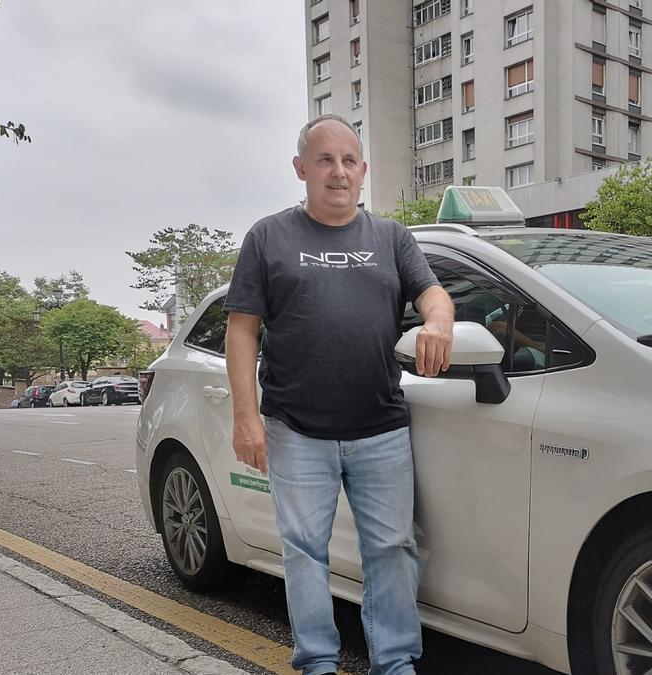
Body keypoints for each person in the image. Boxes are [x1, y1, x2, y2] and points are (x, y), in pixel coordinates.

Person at [223, 114, 455, 675]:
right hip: (295, 427)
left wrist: (439, 323)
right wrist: (245, 418)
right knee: (304, 553)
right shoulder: (269, 237)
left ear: (363, 171)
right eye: (324, 160)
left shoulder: (391, 238)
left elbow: (435, 295)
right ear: (301, 169)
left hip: (379, 426)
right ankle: (318, 663)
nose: (338, 172)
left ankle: (395, 662)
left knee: (392, 550)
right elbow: (241, 329)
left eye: (349, 161)